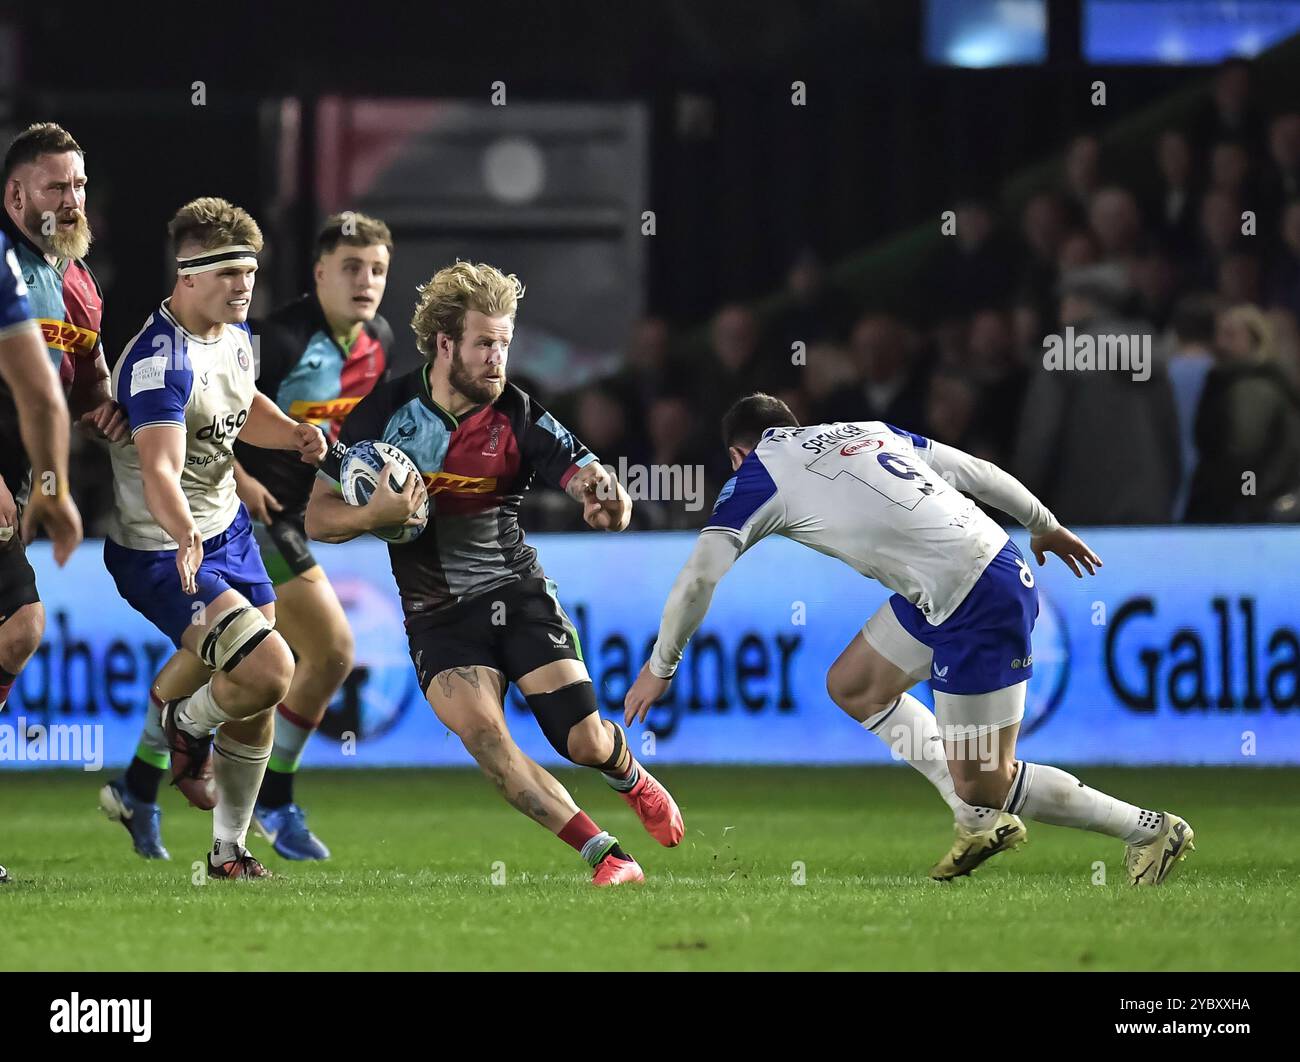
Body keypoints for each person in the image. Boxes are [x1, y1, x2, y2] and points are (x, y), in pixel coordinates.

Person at [625, 394, 1195, 886]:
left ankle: (1150, 830)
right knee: (853, 685)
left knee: (987, 782)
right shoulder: (866, 431)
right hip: (960, 576)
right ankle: (976, 823)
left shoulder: (756, 474)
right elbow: (972, 470)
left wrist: (661, 665)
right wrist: (1041, 519)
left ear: (735, 453)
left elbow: (700, 574)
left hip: (975, 596)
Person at [305, 261, 683, 886]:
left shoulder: (518, 413)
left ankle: (628, 775)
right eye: (485, 343)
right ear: (445, 343)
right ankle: (607, 857)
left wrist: (605, 497)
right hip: (437, 619)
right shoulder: (384, 415)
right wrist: (375, 513)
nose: (497, 358)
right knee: (487, 739)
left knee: (583, 743)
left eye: (505, 343)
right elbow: (318, 517)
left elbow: (587, 475)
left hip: (517, 593)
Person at [104, 212, 395, 861]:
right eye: (231, 272)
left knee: (256, 688)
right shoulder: (160, 362)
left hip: (231, 528)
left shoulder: (233, 335)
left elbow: (244, 405)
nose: (245, 286)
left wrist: (292, 433)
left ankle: (223, 848)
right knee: (276, 665)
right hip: (166, 545)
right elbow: (157, 468)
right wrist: (183, 533)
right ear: (188, 275)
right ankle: (186, 732)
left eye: (251, 272)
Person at [0, 228, 86, 885]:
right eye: (55, 184)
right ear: (15, 195)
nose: (72, 198)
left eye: (79, 183)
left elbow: (54, 395)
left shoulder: (74, 282)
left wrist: (50, 487)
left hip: (16, 487)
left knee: (21, 628)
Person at [1185, 304, 1300, 522]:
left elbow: (1245, 455)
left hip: (1245, 507)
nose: (1220, 343)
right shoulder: (1235, 383)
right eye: (1219, 333)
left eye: (1231, 335)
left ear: (1254, 340)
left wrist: (1246, 500)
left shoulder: (1251, 387)